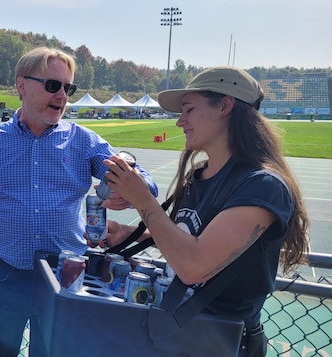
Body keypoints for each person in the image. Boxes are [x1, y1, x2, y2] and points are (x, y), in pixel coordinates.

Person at [0, 46, 158, 357]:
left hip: (67, 275)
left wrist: (133, 185)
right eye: (52, 85)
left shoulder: (84, 142)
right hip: (4, 275)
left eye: (68, 88)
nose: (62, 96)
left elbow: (143, 180)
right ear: (22, 86)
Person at [97, 66, 309, 357]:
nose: (179, 122)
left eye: (189, 109)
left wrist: (143, 200)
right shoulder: (201, 175)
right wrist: (132, 233)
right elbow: (191, 238)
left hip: (220, 341)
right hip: (178, 332)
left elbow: (194, 266)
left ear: (224, 105)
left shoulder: (262, 186)